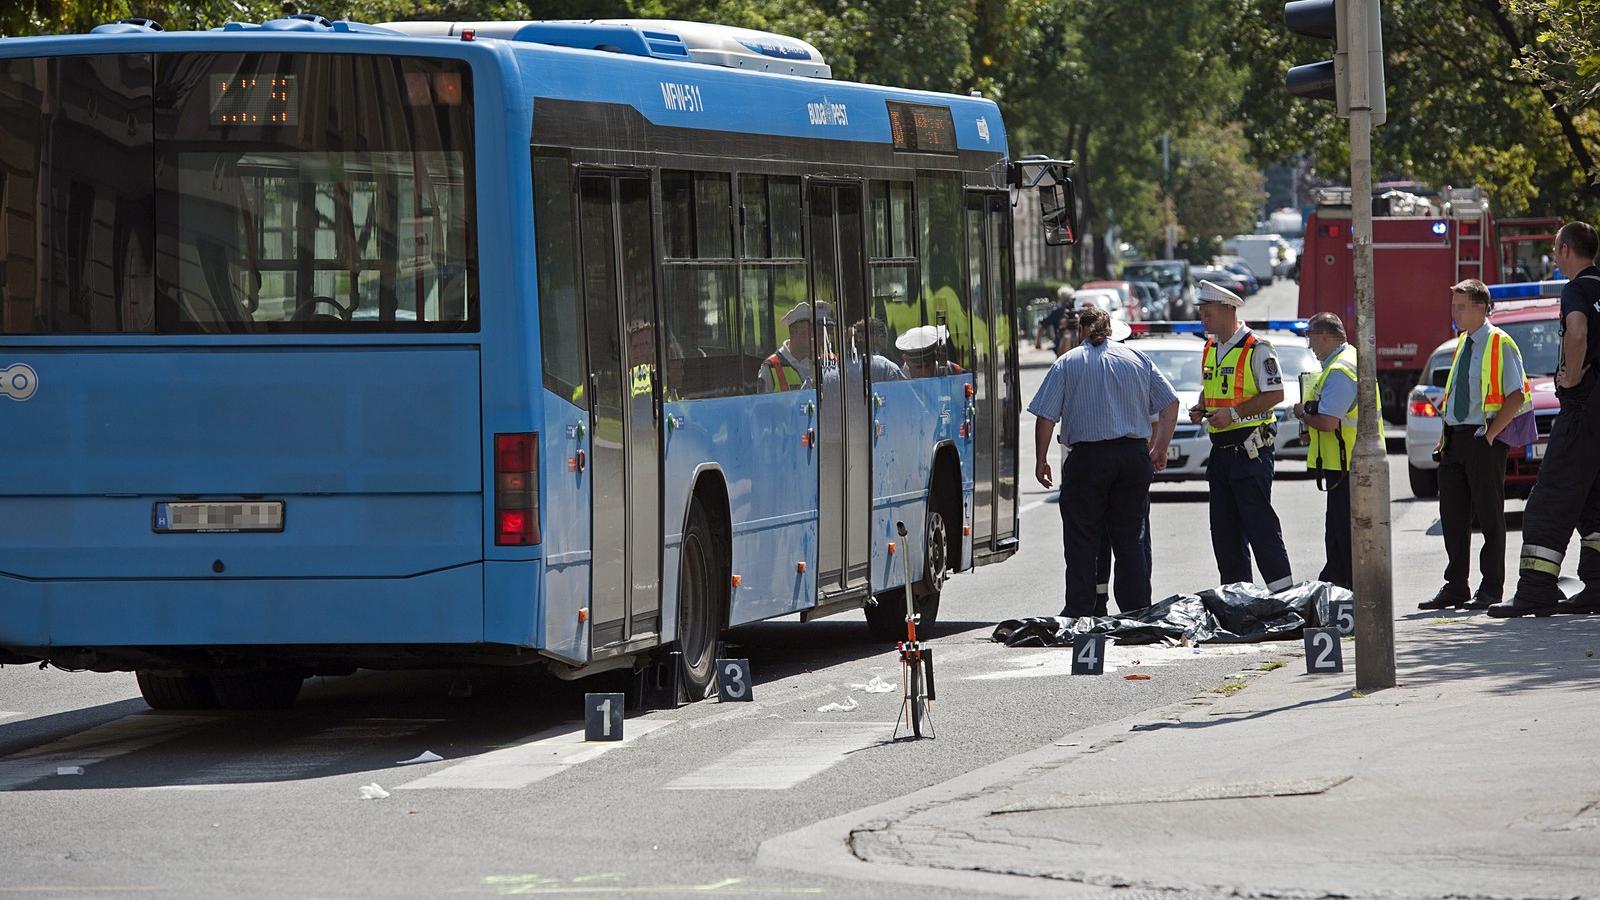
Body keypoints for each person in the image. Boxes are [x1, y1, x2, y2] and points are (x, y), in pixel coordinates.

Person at [1030, 305, 1179, 617]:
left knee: (1082, 538)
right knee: (1131, 537)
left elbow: (1046, 416)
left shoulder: (1067, 362)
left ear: (1081, 331)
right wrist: (1160, 447)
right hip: (1131, 458)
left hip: (1088, 460)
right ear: (1111, 330)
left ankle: (1082, 610)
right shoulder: (1137, 359)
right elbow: (1170, 403)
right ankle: (1136, 610)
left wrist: (1041, 459)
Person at [1494, 222, 1600, 616]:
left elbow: (1577, 332)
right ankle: (1597, 586)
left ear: (1568, 250)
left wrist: (1571, 376)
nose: (1555, 257)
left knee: (1548, 501)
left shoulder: (1576, 289)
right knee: (1595, 501)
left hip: (1583, 409)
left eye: (1556, 250)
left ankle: (1536, 591)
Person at [1419, 279, 1529, 611]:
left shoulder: (1500, 343)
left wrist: (1492, 434)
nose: (1455, 312)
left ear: (1480, 308)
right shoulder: (1463, 343)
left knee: (1489, 514)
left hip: (1483, 438)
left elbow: (1517, 395)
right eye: (1454, 306)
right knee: (1452, 515)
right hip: (1455, 439)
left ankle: (1491, 588)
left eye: (1461, 306)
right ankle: (1456, 586)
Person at [1188, 280, 1294, 591]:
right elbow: (1215, 388)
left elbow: (1275, 393)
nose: (1203, 319)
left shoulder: (1257, 348)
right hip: (1221, 451)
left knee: (1260, 526)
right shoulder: (1211, 347)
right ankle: (1237, 597)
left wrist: (1233, 414)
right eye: (1202, 313)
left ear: (1228, 310)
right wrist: (1202, 406)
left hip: (1250, 450)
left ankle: (1283, 595)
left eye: (1208, 313)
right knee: (1224, 530)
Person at [1294, 312, 1382, 589]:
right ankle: (1338, 583)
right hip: (1349, 462)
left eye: (1312, 339)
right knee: (1341, 532)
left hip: (1346, 466)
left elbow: (1329, 422)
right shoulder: (1349, 360)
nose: (1310, 347)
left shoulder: (1340, 370)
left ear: (1324, 336)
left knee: (1341, 534)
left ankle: (1341, 589)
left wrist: (1303, 415)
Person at [758, 301, 824, 392]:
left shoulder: (822, 363)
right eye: (810, 329)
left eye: (816, 329)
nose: (815, 334)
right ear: (793, 330)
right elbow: (761, 404)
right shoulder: (770, 367)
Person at [896, 324, 964, 378]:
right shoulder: (899, 378)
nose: (926, 373)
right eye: (919, 367)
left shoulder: (953, 370)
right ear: (907, 360)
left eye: (928, 366)